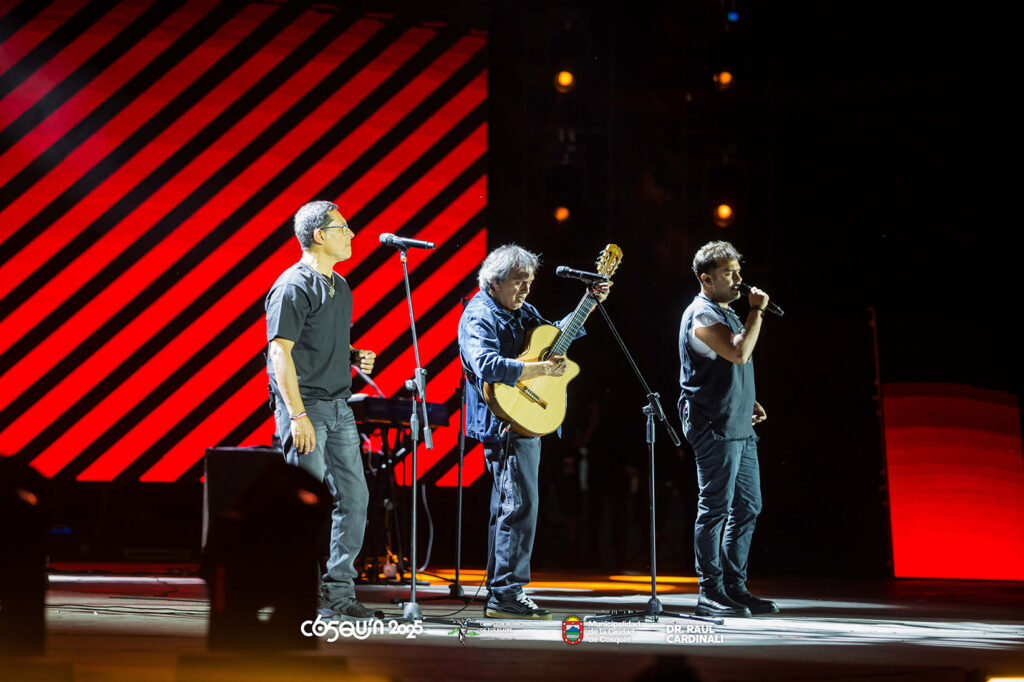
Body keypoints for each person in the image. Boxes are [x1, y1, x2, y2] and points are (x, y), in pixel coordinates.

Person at [458, 244, 610, 619]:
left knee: (514, 505)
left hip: (524, 417)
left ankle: (503, 588)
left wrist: (587, 304)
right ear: (494, 281)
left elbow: (554, 338)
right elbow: (486, 365)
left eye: (530, 282)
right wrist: (540, 372)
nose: (526, 290)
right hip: (502, 420)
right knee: (518, 505)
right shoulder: (478, 314)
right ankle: (505, 593)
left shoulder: (523, 311)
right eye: (518, 282)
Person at [265, 200, 380, 621]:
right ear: (319, 235)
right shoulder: (293, 286)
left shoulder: (341, 285)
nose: (351, 234)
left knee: (355, 497)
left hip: (339, 406)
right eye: (343, 228)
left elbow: (315, 341)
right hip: (306, 406)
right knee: (304, 502)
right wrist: (297, 415)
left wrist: (351, 353)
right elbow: (279, 352)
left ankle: (338, 590)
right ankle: (299, 590)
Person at [678, 240, 779, 618]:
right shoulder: (701, 316)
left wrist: (746, 398)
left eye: (738, 271)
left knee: (749, 506)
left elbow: (728, 366)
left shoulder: (727, 311)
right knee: (716, 507)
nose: (738, 279)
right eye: (728, 274)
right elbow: (738, 352)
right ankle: (710, 590)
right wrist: (757, 312)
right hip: (714, 426)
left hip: (738, 421)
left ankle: (735, 587)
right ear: (706, 279)